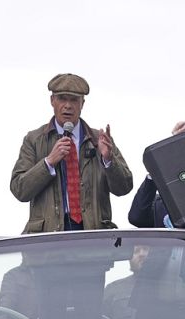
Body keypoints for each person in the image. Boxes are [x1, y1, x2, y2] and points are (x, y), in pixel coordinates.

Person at [10, 73, 133, 233]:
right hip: (48, 240)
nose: (68, 105)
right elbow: (20, 190)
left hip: (92, 235)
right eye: (62, 98)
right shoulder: (34, 140)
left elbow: (124, 188)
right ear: (52, 101)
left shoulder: (99, 140)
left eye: (74, 100)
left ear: (82, 103)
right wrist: (48, 163)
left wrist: (109, 161)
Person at [102, 245, 149, 319]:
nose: (142, 254)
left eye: (146, 249)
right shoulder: (113, 288)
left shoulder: (173, 287)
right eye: (136, 251)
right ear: (128, 258)